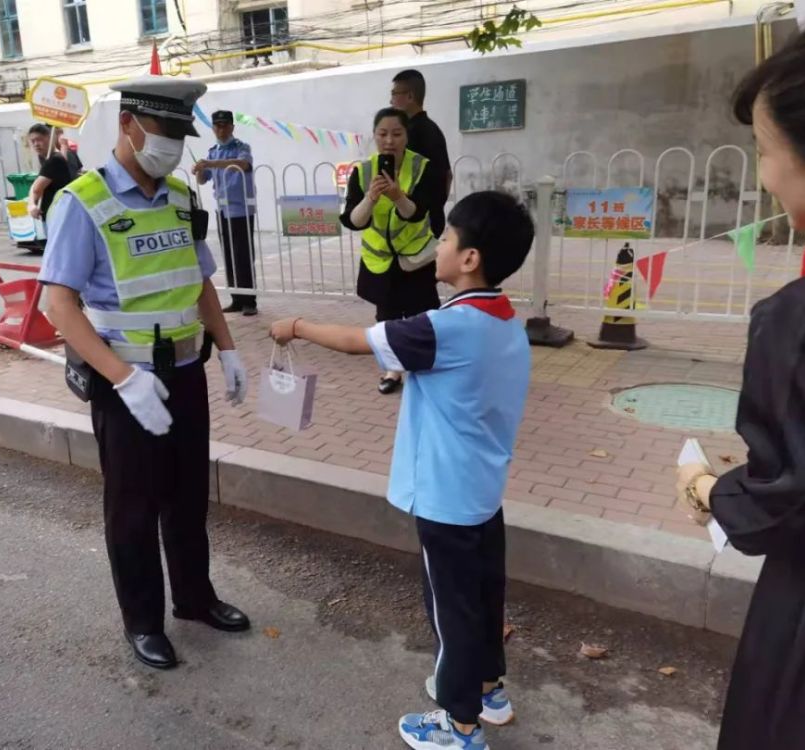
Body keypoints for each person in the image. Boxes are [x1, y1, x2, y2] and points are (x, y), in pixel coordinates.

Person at [270, 190, 536, 750]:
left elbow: (352, 342)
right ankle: (488, 691)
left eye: (445, 237)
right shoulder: (506, 320)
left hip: (445, 496)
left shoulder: (445, 329)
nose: (437, 245)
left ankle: (459, 725)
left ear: (470, 259)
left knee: (452, 610)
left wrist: (294, 325)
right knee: (483, 595)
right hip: (483, 492)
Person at [40, 76, 252, 671]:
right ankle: (142, 621)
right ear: (128, 125)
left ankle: (194, 598)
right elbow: (59, 305)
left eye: (181, 134)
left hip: (185, 373)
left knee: (187, 497)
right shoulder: (82, 201)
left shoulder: (183, 197)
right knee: (132, 507)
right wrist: (125, 380)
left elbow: (200, 280)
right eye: (163, 131)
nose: (172, 145)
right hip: (124, 382)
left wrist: (228, 347)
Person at [675, 29, 805, 750]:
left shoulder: (796, 325)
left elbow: (788, 497)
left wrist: (708, 492)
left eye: (764, 148)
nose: (763, 176)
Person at [343, 107, 441, 394]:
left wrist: (398, 195)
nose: (389, 141)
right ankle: (393, 369)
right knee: (386, 317)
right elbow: (354, 221)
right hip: (380, 260)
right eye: (382, 134)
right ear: (374, 136)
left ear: (406, 136)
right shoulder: (362, 172)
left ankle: (427, 367)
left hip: (415, 257)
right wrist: (371, 198)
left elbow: (418, 212)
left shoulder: (423, 167)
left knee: (423, 314)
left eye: (396, 134)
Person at [192, 110, 258, 316]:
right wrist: (200, 169)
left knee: (243, 254)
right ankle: (236, 298)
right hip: (222, 209)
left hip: (240, 209)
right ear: (213, 128)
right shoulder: (213, 152)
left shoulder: (241, 148)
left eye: (224, 125)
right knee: (229, 255)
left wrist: (209, 163)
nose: (221, 129)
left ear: (231, 127)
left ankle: (250, 301)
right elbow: (204, 180)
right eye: (217, 126)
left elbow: (243, 164)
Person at [391, 69, 452, 238]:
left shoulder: (409, 135)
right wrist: (437, 206)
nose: (391, 100)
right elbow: (448, 176)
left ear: (410, 96)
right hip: (433, 218)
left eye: (395, 94)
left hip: (415, 223)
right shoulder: (434, 130)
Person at [27, 123, 72, 221]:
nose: (36, 144)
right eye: (32, 141)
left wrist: (31, 204)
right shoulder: (44, 158)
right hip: (52, 214)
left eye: (39, 139)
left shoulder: (54, 160)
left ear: (49, 138)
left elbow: (37, 189)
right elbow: (36, 185)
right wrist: (31, 204)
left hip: (58, 215)